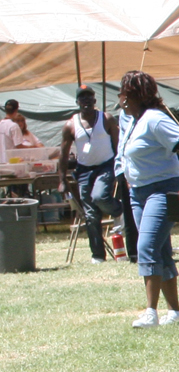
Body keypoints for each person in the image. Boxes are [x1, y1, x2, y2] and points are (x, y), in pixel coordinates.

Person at [116, 71, 179, 328]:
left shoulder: (154, 119)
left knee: (146, 247)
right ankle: (175, 312)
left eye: (122, 92)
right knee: (161, 249)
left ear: (131, 95)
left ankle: (150, 312)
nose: (119, 98)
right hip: (138, 193)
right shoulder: (133, 121)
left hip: (162, 190)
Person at [57, 86, 121, 263]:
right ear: (77, 102)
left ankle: (119, 210)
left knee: (99, 197)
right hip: (84, 170)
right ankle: (98, 255)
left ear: (94, 100)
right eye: (82, 98)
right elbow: (63, 154)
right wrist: (62, 179)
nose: (86, 101)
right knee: (91, 215)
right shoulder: (71, 125)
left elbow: (118, 144)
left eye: (89, 97)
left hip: (105, 166)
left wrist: (120, 167)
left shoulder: (106, 119)